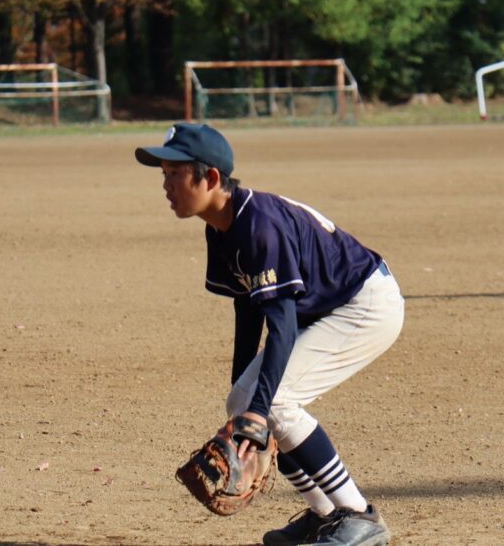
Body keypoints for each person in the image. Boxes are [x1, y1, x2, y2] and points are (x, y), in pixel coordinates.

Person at [135, 123, 404, 546]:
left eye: (174, 174)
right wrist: (243, 401)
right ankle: (326, 515)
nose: (166, 185)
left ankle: (357, 515)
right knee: (245, 401)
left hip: (364, 305)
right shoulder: (220, 226)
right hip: (320, 307)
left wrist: (260, 410)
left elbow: (280, 325)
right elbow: (248, 306)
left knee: (275, 403)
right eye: (163, 174)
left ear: (210, 178)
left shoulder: (258, 227)